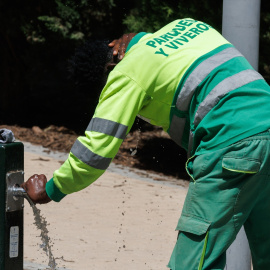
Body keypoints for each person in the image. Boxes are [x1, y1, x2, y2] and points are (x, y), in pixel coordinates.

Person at [22, 18, 270, 270]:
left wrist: (51, 188)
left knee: (192, 263)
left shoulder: (125, 72)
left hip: (232, 143)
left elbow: (95, 153)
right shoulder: (186, 25)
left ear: (110, 67)